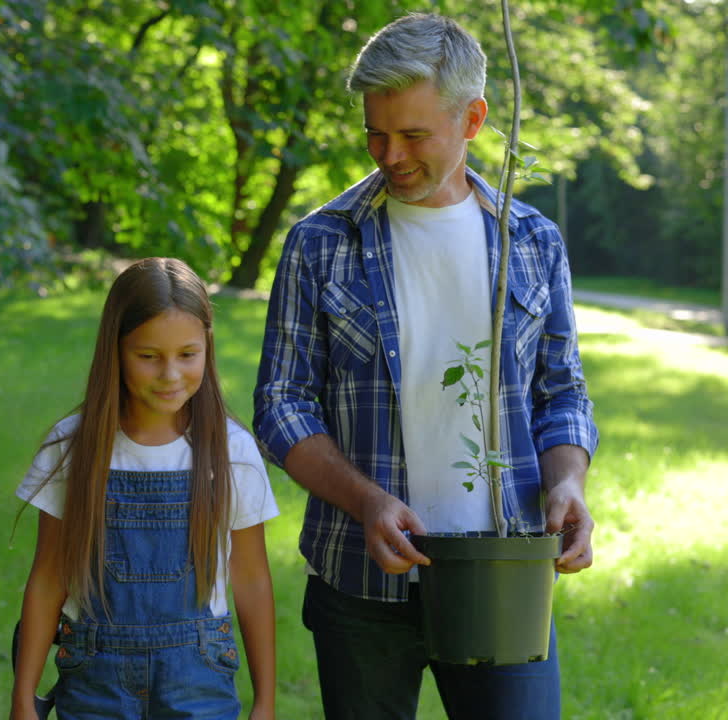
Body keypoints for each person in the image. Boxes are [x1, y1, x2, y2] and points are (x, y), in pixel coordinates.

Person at [253, 13, 598, 720]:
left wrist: (568, 485)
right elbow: (282, 405)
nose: (389, 154)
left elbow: (562, 394)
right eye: (376, 133)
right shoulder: (319, 244)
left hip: (504, 573)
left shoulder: (532, 242)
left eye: (413, 135)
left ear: (473, 119)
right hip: (359, 584)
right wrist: (367, 503)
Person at [11, 258, 279, 720]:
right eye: (149, 356)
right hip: (94, 678)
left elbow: (252, 578)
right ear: (115, 350)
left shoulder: (232, 451)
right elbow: (48, 576)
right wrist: (23, 699)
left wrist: (266, 703)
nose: (170, 374)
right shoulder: (71, 449)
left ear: (208, 349)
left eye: (187, 355)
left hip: (199, 680)